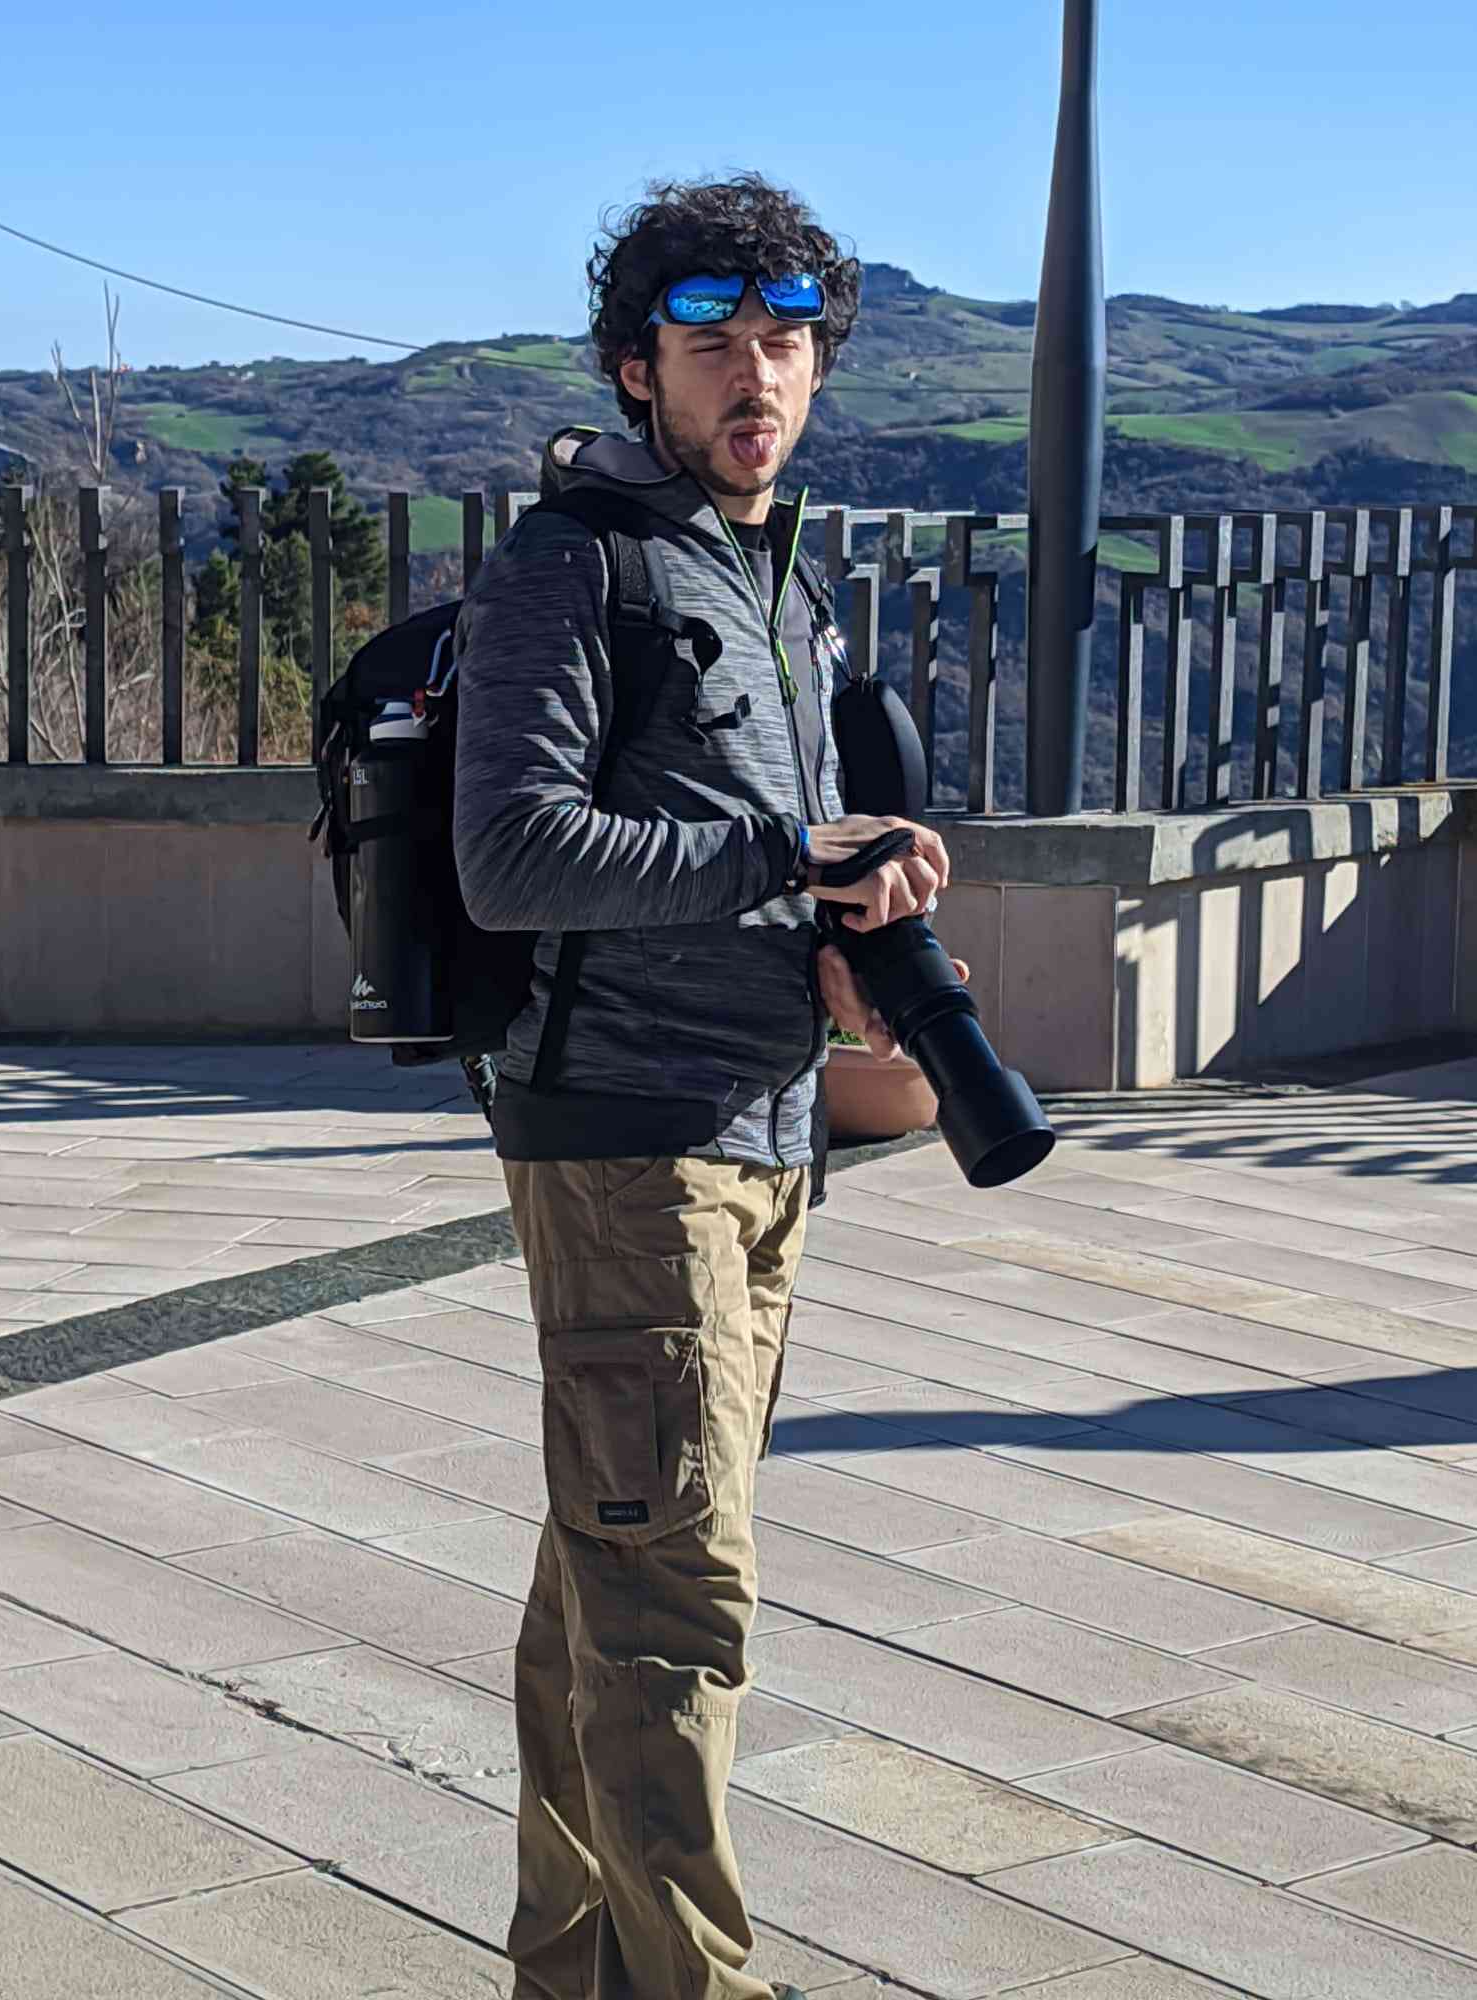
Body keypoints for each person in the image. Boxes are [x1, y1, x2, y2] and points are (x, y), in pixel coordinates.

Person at [453, 173, 954, 2000]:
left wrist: (836, 930)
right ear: (635, 369)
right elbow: (511, 854)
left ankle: (573, 1974)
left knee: (605, 1583)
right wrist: (780, 856)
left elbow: (753, 860)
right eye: (716, 345)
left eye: (784, 345)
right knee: (675, 1608)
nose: (756, 376)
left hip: (764, 1130)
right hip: (627, 1139)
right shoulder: (569, 566)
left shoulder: (773, 577)